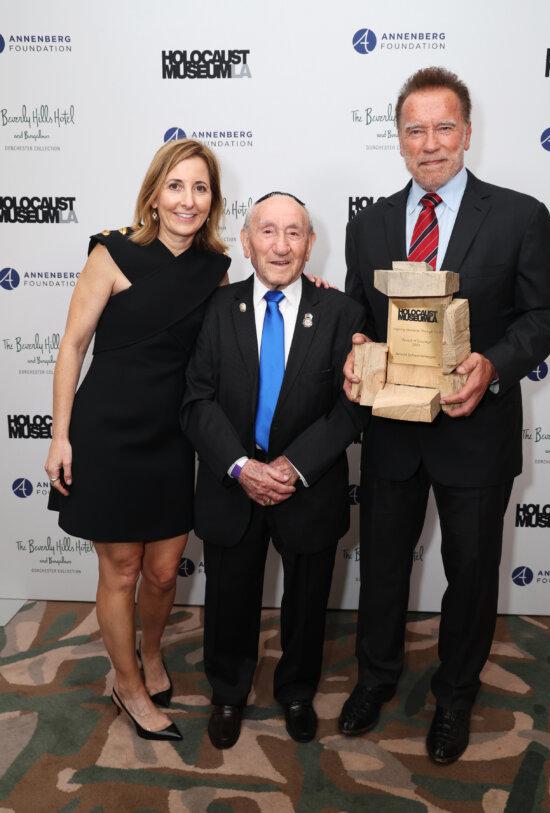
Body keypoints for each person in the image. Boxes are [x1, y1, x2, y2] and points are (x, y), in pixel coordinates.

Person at [339, 67, 550, 763]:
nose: (429, 142)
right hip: (391, 433)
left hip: (476, 428)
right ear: (399, 138)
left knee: (469, 571)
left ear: (467, 132)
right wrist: (352, 345)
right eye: (415, 129)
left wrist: (493, 365)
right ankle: (375, 678)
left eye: (443, 127)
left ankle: (455, 694)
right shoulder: (368, 223)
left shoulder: (521, 215)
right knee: (380, 565)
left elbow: (545, 317)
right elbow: (358, 314)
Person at [46, 139, 232, 741]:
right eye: (175, 186)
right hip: (109, 433)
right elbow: (72, 347)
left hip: (174, 437)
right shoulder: (112, 252)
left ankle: (151, 655)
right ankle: (127, 684)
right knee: (121, 570)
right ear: (154, 194)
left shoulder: (215, 269)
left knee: (161, 572)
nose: (187, 199)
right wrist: (59, 436)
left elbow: (239, 333)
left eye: (200, 187)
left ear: (213, 200)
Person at [181, 192, 366, 749]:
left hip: (307, 485)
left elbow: (351, 406)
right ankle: (229, 692)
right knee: (230, 595)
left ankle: (296, 691)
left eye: (294, 233)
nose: (280, 245)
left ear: (311, 245)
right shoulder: (215, 309)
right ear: (246, 241)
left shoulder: (342, 314)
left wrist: (294, 466)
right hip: (232, 483)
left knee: (308, 601)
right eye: (267, 231)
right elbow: (196, 400)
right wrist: (240, 467)